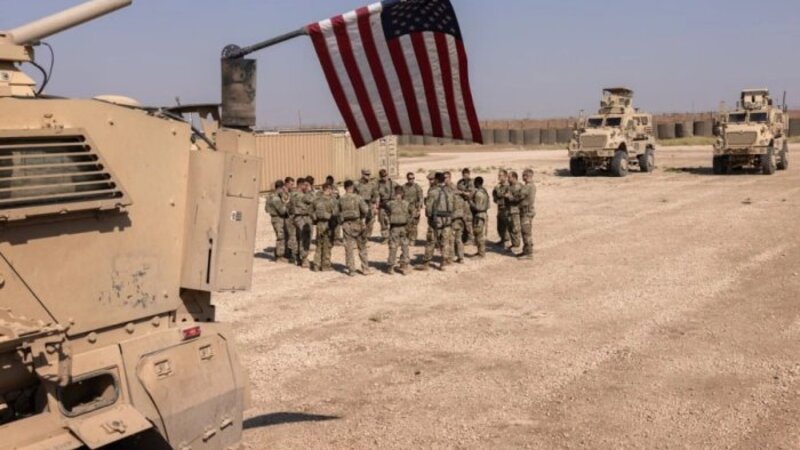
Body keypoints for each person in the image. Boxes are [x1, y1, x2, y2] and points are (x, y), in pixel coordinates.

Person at [418, 172, 454, 271]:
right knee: (445, 241)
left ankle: (426, 263)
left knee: (431, 241)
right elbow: (453, 206)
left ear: (437, 180)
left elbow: (429, 209)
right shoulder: (449, 191)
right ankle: (444, 262)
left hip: (436, 221)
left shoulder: (433, 191)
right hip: (447, 220)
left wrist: (429, 218)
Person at [339, 180, 372, 276]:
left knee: (348, 248)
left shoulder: (341, 199)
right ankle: (365, 269)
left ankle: (351, 270)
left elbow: (337, 212)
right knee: (362, 247)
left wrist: (342, 222)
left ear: (344, 188)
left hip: (346, 225)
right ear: (352, 187)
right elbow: (365, 210)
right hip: (357, 224)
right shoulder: (358, 198)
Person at [384, 185, 413, 274]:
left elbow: (385, 215)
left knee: (393, 246)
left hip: (394, 228)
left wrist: (387, 224)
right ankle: (404, 266)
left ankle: (390, 267)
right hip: (404, 227)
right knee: (405, 246)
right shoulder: (406, 203)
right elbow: (412, 215)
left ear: (394, 193)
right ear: (402, 193)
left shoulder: (390, 204)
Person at [311, 183, 339, 272]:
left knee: (319, 245)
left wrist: (316, 220)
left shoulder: (316, 200)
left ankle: (316, 265)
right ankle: (325, 266)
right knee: (327, 245)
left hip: (319, 225)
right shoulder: (333, 201)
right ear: (329, 189)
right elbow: (336, 213)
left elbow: (311, 212)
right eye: (331, 189)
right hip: (328, 225)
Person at [291, 177, 315, 268]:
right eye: (305, 185)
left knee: (298, 238)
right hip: (303, 218)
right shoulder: (302, 195)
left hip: (296, 217)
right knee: (305, 238)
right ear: (301, 185)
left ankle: (297, 258)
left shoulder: (293, 194)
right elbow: (313, 200)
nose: (306, 187)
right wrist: (310, 190)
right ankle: (304, 259)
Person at [265, 180, 290, 263]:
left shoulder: (270, 196)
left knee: (280, 236)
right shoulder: (276, 198)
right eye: (283, 189)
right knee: (281, 237)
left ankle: (278, 253)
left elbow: (266, 209)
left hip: (274, 218)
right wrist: (286, 204)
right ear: (280, 188)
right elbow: (282, 211)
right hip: (278, 218)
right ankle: (280, 256)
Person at [517, 169, 537, 260]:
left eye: (524, 175)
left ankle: (529, 253)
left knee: (526, 233)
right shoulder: (532, 186)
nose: (522, 177)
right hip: (528, 211)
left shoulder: (527, 187)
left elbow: (519, 196)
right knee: (526, 232)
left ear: (528, 176)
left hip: (526, 212)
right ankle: (526, 250)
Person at [355, 169, 379, 241]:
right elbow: (353, 195)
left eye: (369, 174)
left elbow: (376, 195)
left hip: (369, 204)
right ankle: (359, 237)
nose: (368, 176)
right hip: (360, 204)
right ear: (362, 174)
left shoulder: (372, 184)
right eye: (366, 174)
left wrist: (375, 206)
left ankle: (366, 236)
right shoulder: (357, 184)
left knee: (371, 220)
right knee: (360, 221)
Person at [470, 176, 490, 258]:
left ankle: (481, 253)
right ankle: (480, 252)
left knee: (479, 234)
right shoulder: (485, 191)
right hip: (484, 214)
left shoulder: (478, 194)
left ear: (477, 183)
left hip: (479, 215)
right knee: (480, 234)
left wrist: (470, 202)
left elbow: (477, 207)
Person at [403, 172, 424, 243]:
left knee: (414, 224)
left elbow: (421, 198)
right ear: (407, 178)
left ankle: (412, 239)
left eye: (413, 178)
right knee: (406, 223)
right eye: (410, 178)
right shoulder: (403, 187)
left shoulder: (417, 187)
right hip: (405, 208)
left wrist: (418, 209)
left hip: (414, 207)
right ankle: (406, 238)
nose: (411, 180)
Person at [492, 169, 511, 247]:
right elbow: (495, 196)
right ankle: (502, 239)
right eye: (498, 175)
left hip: (506, 208)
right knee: (500, 225)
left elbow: (506, 195)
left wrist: (499, 193)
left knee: (506, 225)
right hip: (500, 207)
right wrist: (497, 198)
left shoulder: (508, 186)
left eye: (500, 175)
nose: (499, 177)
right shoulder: (498, 186)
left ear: (505, 176)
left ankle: (507, 241)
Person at [456, 168, 475, 245]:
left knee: (468, 221)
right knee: (462, 220)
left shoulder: (472, 182)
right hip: (461, 203)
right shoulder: (460, 182)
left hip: (468, 203)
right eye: (464, 175)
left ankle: (471, 238)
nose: (465, 176)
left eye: (466, 174)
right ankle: (464, 237)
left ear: (469, 174)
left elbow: (470, 194)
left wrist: (462, 192)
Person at [376, 169, 396, 243]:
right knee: (382, 221)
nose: (384, 178)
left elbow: (400, 192)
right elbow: (377, 195)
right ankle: (385, 237)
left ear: (387, 175)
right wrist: (377, 206)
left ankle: (393, 237)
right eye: (382, 176)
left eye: (385, 176)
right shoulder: (378, 184)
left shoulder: (393, 183)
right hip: (382, 204)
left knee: (393, 221)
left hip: (392, 204)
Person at [505, 171, 523, 251]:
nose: (508, 179)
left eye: (509, 177)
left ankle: (517, 245)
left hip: (516, 210)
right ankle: (514, 243)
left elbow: (519, 198)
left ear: (514, 177)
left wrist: (510, 197)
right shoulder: (509, 186)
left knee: (515, 228)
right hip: (509, 210)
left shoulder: (519, 187)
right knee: (510, 227)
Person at [451, 186, 467, 263]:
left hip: (454, 221)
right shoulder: (462, 199)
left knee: (452, 239)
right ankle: (461, 257)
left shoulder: (452, 199)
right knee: (459, 239)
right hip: (461, 221)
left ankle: (451, 256)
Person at [326, 175, 344, 245]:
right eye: (328, 181)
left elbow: (338, 196)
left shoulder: (335, 187)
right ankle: (329, 239)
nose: (329, 182)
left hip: (335, 208)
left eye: (331, 181)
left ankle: (336, 239)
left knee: (337, 224)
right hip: (327, 208)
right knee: (329, 225)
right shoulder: (324, 187)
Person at [284, 176, 298, 261]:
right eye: (291, 184)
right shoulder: (283, 193)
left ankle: (288, 252)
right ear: (286, 183)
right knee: (291, 236)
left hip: (292, 216)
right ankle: (292, 254)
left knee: (291, 235)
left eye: (293, 184)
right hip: (287, 217)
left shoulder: (291, 192)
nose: (292, 186)